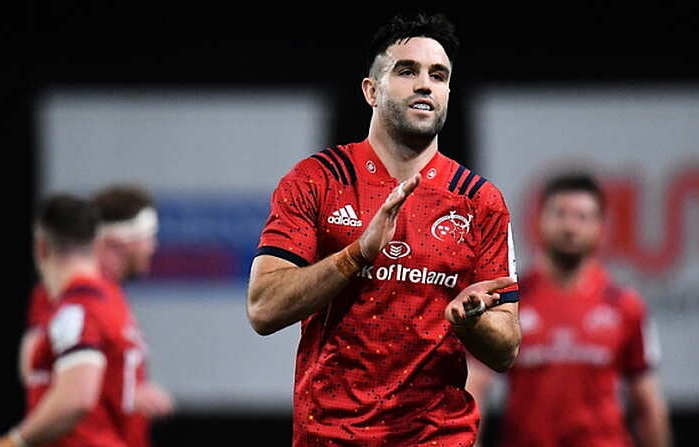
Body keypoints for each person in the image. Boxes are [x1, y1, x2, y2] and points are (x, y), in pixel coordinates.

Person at [247, 12, 520, 446]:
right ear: (371, 90)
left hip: (437, 437)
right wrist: (357, 254)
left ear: (448, 93)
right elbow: (263, 309)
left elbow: (506, 349)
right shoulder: (317, 180)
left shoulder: (480, 201)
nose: (424, 84)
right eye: (407, 70)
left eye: (438, 75)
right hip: (329, 435)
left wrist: (471, 323)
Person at [466, 173, 672, 447]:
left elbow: (647, 402)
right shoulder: (508, 302)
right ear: (538, 220)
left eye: (583, 217)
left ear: (601, 227)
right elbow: (476, 387)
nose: (570, 226)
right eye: (560, 214)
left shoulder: (625, 305)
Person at [0, 193, 150, 446]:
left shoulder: (77, 309)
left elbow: (76, 398)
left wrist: (10, 444)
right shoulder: (109, 300)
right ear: (95, 243)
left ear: (41, 247)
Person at [19, 184, 172, 447]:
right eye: (148, 236)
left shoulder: (108, 296)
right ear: (116, 241)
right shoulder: (71, 296)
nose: (153, 247)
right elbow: (39, 369)